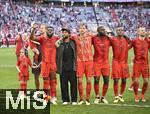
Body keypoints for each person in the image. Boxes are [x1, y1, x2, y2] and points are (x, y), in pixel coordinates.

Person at [30, 23, 59, 105]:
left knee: (53, 80)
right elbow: (31, 38)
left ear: (53, 31)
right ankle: (46, 98)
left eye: (51, 30)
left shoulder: (56, 38)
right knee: (45, 81)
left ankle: (53, 97)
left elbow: (66, 38)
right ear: (46, 31)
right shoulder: (42, 38)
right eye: (48, 30)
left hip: (53, 63)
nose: (50, 31)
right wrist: (33, 30)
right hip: (45, 63)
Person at [71, 23, 93, 105]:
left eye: (83, 28)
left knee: (89, 80)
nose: (82, 29)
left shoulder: (90, 36)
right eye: (80, 28)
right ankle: (81, 99)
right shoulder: (75, 37)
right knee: (79, 81)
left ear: (86, 29)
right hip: (79, 61)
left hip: (89, 61)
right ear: (78, 29)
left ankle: (87, 99)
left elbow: (100, 35)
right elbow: (65, 37)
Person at [56, 28, 77, 105]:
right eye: (63, 32)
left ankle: (74, 100)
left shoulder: (73, 43)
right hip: (63, 67)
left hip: (72, 67)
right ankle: (65, 100)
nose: (63, 34)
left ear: (69, 34)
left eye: (65, 32)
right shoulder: (60, 43)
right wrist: (61, 38)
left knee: (73, 85)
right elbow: (56, 43)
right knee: (63, 85)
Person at [110, 27, 130, 103]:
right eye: (118, 30)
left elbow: (132, 43)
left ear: (123, 31)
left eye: (122, 30)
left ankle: (121, 95)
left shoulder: (126, 39)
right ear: (116, 31)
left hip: (124, 62)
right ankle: (116, 96)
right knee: (116, 79)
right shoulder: (113, 39)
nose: (120, 31)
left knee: (124, 79)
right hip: (116, 62)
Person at [92, 26, 110, 104]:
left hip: (105, 62)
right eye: (102, 30)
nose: (104, 31)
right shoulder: (94, 38)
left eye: (104, 29)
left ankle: (103, 97)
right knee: (96, 80)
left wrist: (109, 35)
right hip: (96, 62)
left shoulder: (108, 39)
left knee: (106, 80)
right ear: (98, 31)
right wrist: (94, 34)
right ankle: (97, 96)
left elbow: (116, 40)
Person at [131, 27, 149, 102]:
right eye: (141, 31)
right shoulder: (134, 41)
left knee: (146, 81)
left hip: (145, 64)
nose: (143, 32)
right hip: (137, 63)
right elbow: (127, 48)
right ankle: (136, 96)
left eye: (144, 31)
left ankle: (142, 94)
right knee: (136, 81)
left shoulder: (148, 41)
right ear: (138, 32)